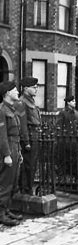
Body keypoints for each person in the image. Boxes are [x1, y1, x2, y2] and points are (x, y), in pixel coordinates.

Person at [0, 81, 23, 226]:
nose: (17, 92)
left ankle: (6, 209)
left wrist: (18, 153)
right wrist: (7, 154)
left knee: (13, 182)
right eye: (14, 90)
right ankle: (1, 214)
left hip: (14, 147)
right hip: (7, 149)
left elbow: (16, 134)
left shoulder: (11, 109)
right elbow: (1, 135)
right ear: (7, 93)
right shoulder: (2, 110)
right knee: (5, 183)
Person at [17, 76, 41, 195]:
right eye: (34, 87)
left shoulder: (30, 101)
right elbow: (23, 124)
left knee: (33, 165)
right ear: (26, 88)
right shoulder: (22, 102)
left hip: (35, 135)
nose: (36, 89)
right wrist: (26, 141)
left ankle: (29, 188)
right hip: (30, 137)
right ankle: (26, 190)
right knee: (28, 165)